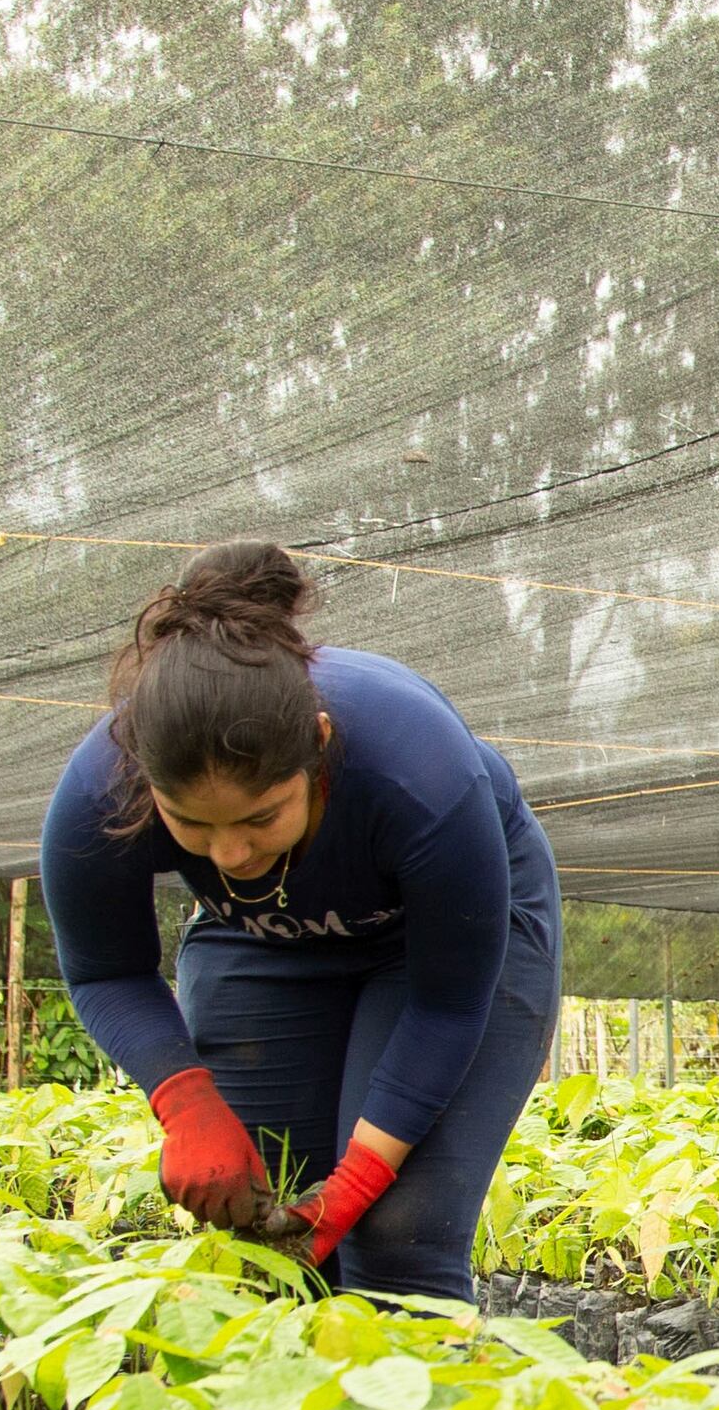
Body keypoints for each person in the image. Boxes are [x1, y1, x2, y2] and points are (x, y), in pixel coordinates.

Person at [41, 542, 563, 1305]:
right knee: (268, 1238)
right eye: (191, 824)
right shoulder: (97, 793)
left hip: (441, 945)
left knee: (396, 1232)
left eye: (260, 817)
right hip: (263, 936)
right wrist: (184, 1103)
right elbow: (105, 969)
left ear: (317, 748)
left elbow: (447, 1005)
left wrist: (360, 1179)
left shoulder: (421, 775)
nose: (229, 852)